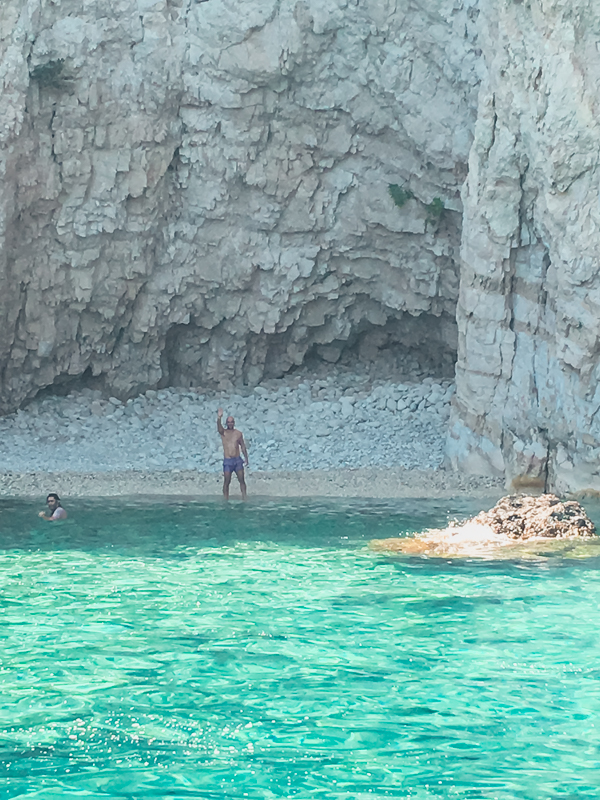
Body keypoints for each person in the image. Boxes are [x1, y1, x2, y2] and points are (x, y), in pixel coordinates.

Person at [217, 408, 249, 500]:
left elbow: (242, 446)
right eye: (228, 422)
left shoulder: (238, 433)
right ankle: (226, 499)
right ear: (226, 423)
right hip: (228, 461)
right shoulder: (224, 433)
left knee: (242, 480)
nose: (230, 423)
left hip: (237, 460)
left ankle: (244, 498)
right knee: (227, 481)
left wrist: (246, 458)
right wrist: (219, 418)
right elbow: (219, 428)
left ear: (234, 423)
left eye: (231, 422)